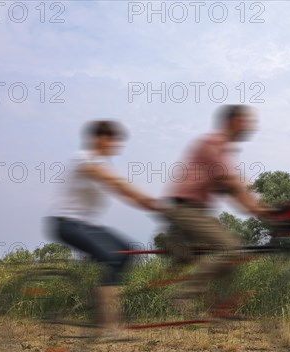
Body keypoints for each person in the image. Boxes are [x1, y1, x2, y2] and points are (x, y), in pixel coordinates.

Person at [47, 120, 159, 331]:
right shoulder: (83, 159)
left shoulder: (103, 165)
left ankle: (100, 305)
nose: (117, 145)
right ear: (99, 139)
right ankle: (110, 325)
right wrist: (152, 203)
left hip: (87, 225)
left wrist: (151, 208)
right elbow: (116, 184)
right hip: (66, 224)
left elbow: (123, 192)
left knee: (127, 251)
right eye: (113, 140)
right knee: (111, 259)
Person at [164, 105, 270, 316]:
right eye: (246, 121)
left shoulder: (223, 148)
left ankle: (221, 308)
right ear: (234, 121)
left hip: (196, 211)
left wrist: (260, 210)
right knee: (231, 249)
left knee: (232, 254)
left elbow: (233, 192)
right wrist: (263, 213)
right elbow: (232, 184)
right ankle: (182, 296)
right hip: (185, 210)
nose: (250, 126)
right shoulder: (212, 144)